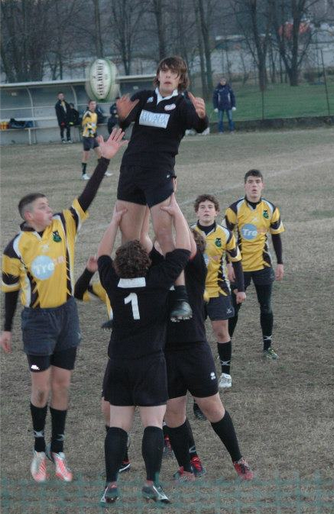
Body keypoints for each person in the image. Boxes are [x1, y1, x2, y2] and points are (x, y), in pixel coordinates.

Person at [0, 129, 126, 484]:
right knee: (40, 388)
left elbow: (86, 198)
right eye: (43, 206)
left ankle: (59, 451)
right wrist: (6, 327)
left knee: (63, 387)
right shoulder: (14, 248)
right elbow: (10, 289)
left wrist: (104, 159)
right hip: (37, 321)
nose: (49, 208)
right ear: (29, 215)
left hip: (67, 315)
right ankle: (38, 449)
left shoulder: (63, 226)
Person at [97, 195, 191, 506]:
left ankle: (111, 485)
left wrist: (114, 222)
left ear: (119, 265)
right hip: (150, 364)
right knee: (153, 424)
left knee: (118, 427)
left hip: (119, 363)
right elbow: (185, 249)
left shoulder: (112, 281)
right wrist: (176, 213)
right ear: (147, 263)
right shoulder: (158, 281)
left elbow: (101, 255)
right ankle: (151, 483)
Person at [145, 226, 253, 482]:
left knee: (212, 407)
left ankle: (238, 460)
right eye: (163, 243)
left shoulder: (194, 270)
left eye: (172, 242)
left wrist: (175, 214)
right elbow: (143, 239)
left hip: (194, 350)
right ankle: (188, 466)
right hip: (165, 353)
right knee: (173, 413)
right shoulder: (156, 271)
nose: (165, 246)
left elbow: (185, 245)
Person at [114, 56, 208, 320]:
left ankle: (180, 297)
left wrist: (202, 117)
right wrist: (122, 117)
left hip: (159, 174)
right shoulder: (144, 97)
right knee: (130, 239)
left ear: (180, 78)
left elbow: (197, 124)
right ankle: (130, 300)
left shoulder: (181, 103)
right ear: (158, 75)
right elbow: (123, 123)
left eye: (173, 72)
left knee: (164, 233)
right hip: (131, 171)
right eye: (164, 71)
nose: (168, 75)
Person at [73, 257, 131, 473]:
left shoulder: (151, 284)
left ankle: (170, 440)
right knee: (108, 406)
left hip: (150, 354)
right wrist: (89, 271)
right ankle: (122, 456)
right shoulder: (111, 288)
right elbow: (78, 292)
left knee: (160, 407)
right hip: (119, 355)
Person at [225, 170, 284, 360]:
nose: (254, 185)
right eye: (250, 182)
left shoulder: (270, 208)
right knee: (234, 307)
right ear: (245, 185)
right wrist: (229, 264)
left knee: (266, 306)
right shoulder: (234, 209)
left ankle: (268, 346)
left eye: (257, 181)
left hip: (263, 266)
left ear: (263, 185)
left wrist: (280, 262)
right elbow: (225, 237)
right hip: (239, 267)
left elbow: (276, 236)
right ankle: (226, 345)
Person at [193, 194, 246, 389]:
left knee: (221, 332)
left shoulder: (225, 234)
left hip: (219, 292)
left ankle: (225, 374)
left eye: (210, 207)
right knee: (196, 335)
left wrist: (240, 289)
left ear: (216, 212)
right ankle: (201, 371)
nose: (206, 210)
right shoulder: (188, 233)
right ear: (196, 211)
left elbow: (237, 261)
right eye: (202, 207)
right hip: (195, 294)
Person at [81, 100, 113, 181]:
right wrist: (93, 134)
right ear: (88, 105)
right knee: (86, 156)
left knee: (100, 154)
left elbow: (93, 126)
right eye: (92, 104)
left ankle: (103, 171)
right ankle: (84, 174)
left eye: (94, 103)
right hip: (87, 137)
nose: (93, 105)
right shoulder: (87, 114)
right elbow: (85, 125)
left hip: (92, 137)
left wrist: (95, 135)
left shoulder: (95, 114)